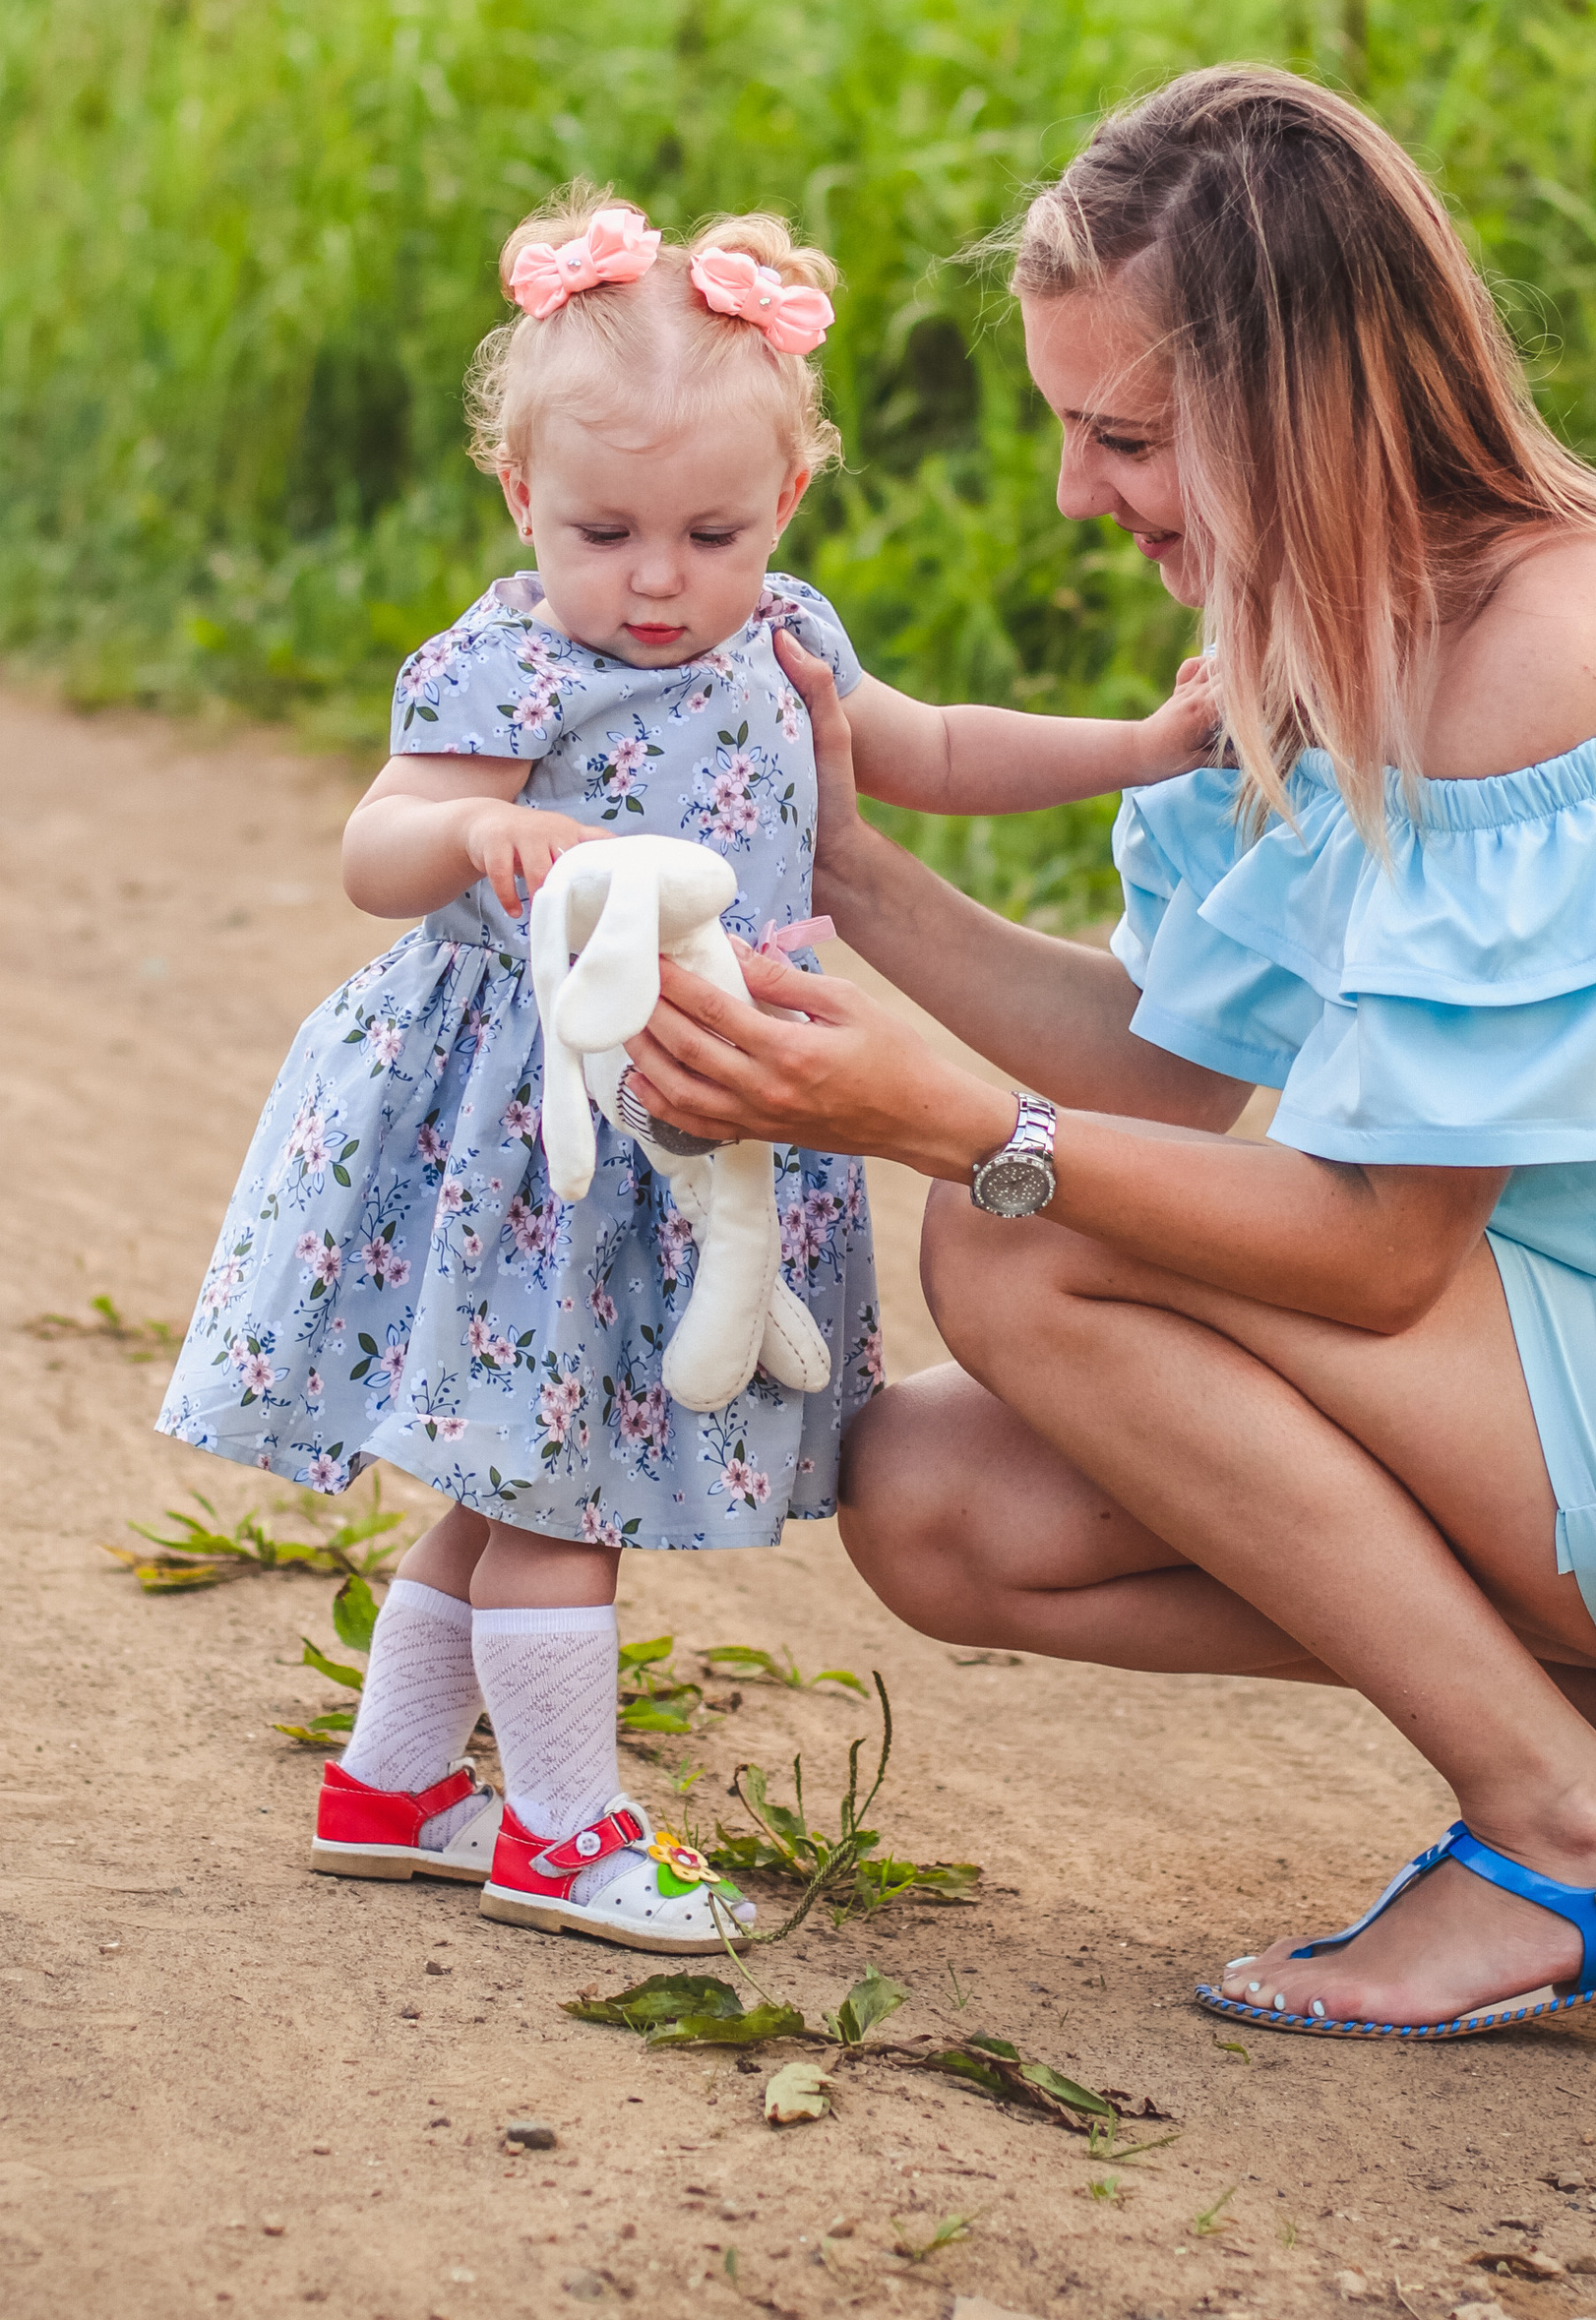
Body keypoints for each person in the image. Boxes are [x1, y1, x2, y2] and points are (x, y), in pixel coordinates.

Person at [617, 67, 1596, 2043]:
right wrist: (839, 866)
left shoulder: (1556, 649)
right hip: (1590, 1379)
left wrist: (947, 1125)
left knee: (1016, 1235)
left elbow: (1371, 1255)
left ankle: (1559, 1833)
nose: (1073, 494)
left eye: (1121, 436)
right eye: (1065, 427)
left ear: (1296, 405)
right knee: (933, 1498)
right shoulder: (1341, 618)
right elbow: (1163, 1071)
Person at [155, 189, 1214, 1951]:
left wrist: (1148, 745)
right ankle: (564, 1830)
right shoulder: (509, 656)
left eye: (711, 531)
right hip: (542, 1130)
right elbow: (375, 841)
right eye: (608, 530)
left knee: (516, 1472)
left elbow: (936, 751)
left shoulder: (781, 636)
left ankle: (397, 1783)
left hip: (717, 1112)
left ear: (785, 503)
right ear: (520, 499)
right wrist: (478, 834)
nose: (658, 580)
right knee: (560, 1474)